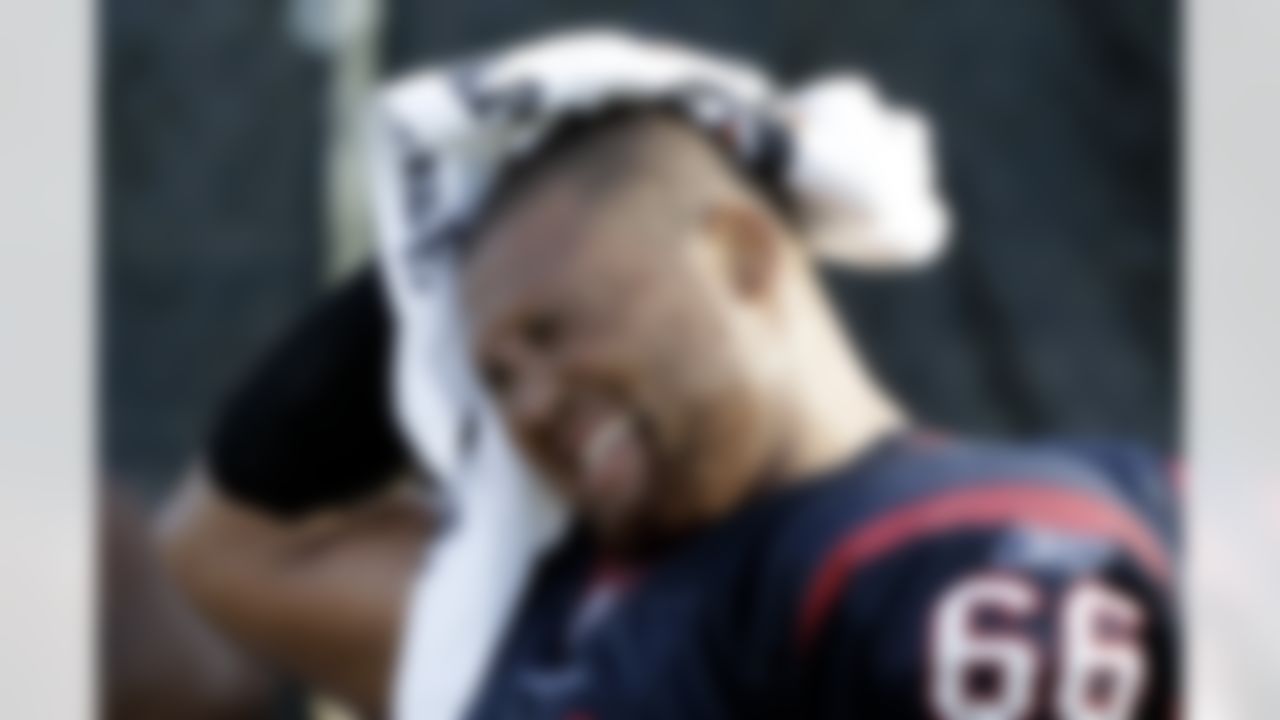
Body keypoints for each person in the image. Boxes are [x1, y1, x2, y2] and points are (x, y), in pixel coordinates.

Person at [160, 31, 1178, 719]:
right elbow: (225, 546)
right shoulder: (546, 612)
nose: (534, 401)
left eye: (554, 328)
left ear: (741, 257)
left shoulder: (951, 544)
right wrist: (440, 218)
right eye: (496, 378)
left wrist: (721, 138)